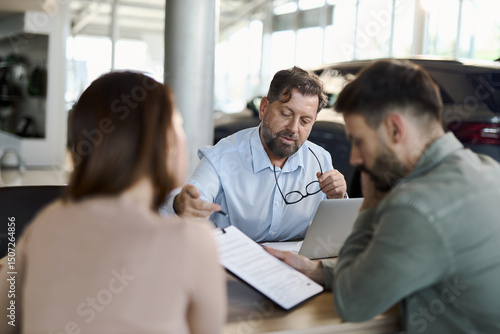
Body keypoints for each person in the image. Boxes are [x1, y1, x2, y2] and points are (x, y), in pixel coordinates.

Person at [266, 59, 500, 333]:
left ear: (394, 130)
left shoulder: (416, 206)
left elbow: (352, 303)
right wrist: (320, 272)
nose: (354, 157)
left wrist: (369, 205)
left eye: (359, 141)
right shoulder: (490, 171)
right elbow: (406, 264)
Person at [0, 71, 226, 334]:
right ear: (165, 143)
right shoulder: (192, 241)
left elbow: (7, 320)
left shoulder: (45, 222)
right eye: (179, 126)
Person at [163, 66, 347, 242]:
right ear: (264, 108)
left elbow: (335, 232)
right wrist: (181, 204)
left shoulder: (320, 159)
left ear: (313, 121)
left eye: (305, 121)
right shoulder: (223, 157)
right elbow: (189, 199)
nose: (293, 128)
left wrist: (338, 198)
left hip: (293, 267)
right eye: (285, 113)